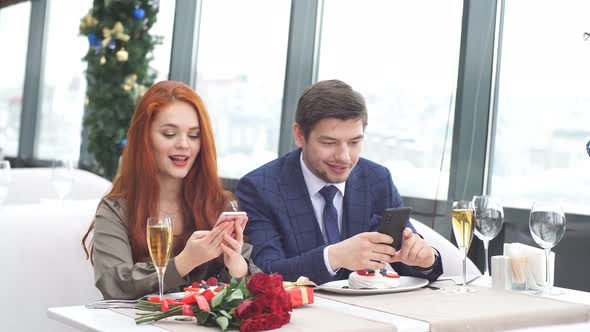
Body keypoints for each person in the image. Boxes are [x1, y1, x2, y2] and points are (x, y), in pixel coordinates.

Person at [235, 80, 443, 284]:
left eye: (354, 142)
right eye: (329, 142)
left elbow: (409, 261)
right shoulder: (259, 188)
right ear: (299, 135)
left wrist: (425, 259)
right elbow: (267, 272)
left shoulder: (377, 179)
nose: (344, 157)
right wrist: (333, 257)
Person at [82, 80, 251, 300]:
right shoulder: (116, 209)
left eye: (193, 135)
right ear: (145, 139)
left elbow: (248, 291)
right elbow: (114, 284)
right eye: (169, 133)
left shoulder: (220, 204)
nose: (184, 144)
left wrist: (237, 268)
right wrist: (184, 262)